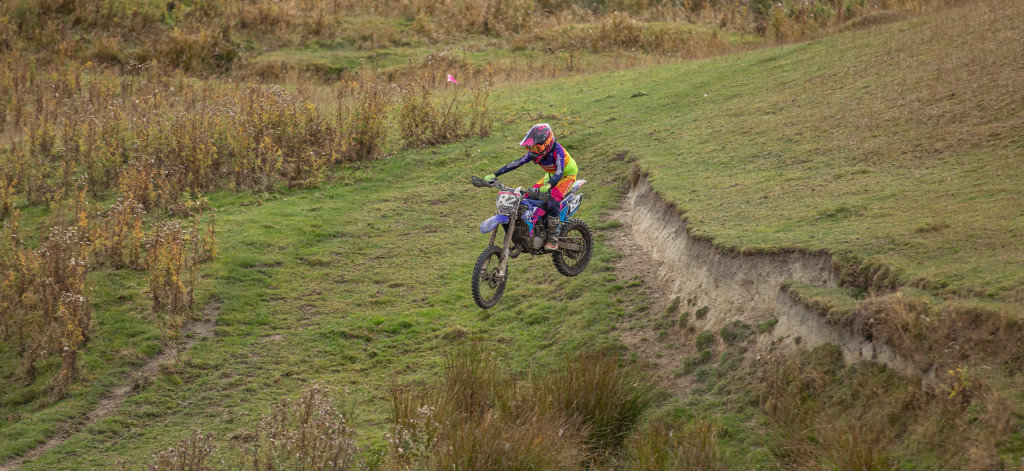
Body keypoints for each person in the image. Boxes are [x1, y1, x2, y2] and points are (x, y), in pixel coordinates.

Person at [483, 123, 577, 250]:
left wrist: (549, 185)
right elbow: (516, 163)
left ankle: (553, 238)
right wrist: (495, 174)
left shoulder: (558, 151)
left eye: (536, 148)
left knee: (553, 200)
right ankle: (532, 228)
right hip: (550, 175)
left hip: (566, 175)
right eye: (530, 147)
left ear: (546, 144)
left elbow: (560, 172)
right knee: (527, 196)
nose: (533, 151)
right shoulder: (534, 153)